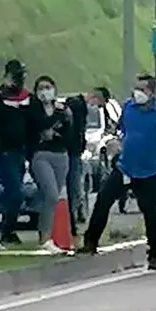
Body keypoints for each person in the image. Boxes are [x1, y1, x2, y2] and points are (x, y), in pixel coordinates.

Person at [79, 75, 156, 271]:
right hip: (126, 167)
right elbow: (122, 130)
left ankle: (155, 252)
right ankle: (90, 242)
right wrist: (119, 144)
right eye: (136, 88)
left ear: (151, 92)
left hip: (150, 170)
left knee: (151, 212)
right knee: (103, 199)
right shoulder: (129, 108)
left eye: (142, 89)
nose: (138, 93)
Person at [27, 76, 74, 251]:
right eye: (41, 88)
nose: (45, 92)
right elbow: (33, 130)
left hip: (61, 155)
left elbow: (70, 134)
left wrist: (57, 132)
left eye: (48, 87)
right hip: (41, 155)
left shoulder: (63, 111)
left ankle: (48, 234)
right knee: (51, 194)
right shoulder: (33, 110)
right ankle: (44, 238)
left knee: (51, 199)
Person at [0, 59, 32, 245]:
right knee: (15, 192)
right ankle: (6, 229)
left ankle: (8, 228)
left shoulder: (27, 98)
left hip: (20, 152)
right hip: (4, 152)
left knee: (15, 192)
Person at [64, 91, 90, 230]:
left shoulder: (69, 115)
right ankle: (72, 219)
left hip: (71, 152)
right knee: (74, 187)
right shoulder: (78, 117)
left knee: (72, 187)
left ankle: (71, 219)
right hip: (72, 153)